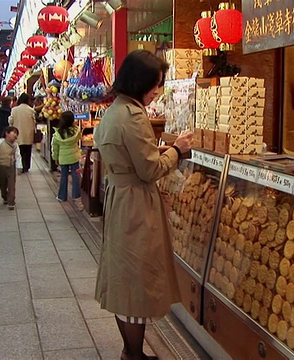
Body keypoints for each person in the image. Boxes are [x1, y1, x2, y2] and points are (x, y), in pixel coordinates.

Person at [94, 49, 194, 360]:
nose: (157, 91)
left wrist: (159, 148)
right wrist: (177, 150)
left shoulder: (115, 110)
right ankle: (133, 355)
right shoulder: (134, 116)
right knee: (136, 282)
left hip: (121, 200)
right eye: (156, 84)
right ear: (140, 82)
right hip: (136, 204)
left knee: (125, 278)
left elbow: (132, 156)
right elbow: (149, 169)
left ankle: (131, 351)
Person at [52, 111, 83, 210]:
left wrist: (55, 158)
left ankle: (62, 196)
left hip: (63, 158)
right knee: (75, 176)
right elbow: (79, 137)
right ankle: (76, 196)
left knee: (64, 176)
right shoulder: (76, 131)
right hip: (74, 157)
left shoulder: (58, 134)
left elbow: (55, 147)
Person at [8, 93, 36, 173]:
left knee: (19, 150)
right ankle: (26, 166)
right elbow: (34, 121)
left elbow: (11, 121)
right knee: (27, 150)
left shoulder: (14, 110)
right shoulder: (31, 110)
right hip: (28, 133)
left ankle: (20, 165)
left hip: (17, 132)